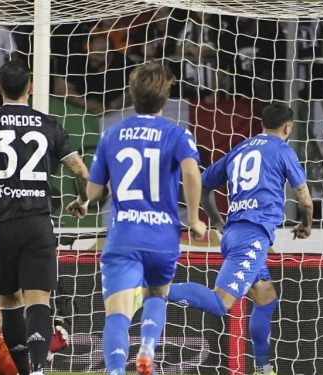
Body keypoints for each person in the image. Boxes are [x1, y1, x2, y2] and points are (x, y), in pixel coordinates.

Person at [0, 60, 90, 375]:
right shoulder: (49, 124)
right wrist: (82, 200)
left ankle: (24, 372)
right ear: (31, 87)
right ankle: (40, 369)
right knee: (39, 299)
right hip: (36, 223)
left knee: (10, 301)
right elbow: (80, 171)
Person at [166, 103, 313, 375]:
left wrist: (217, 221)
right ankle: (153, 289)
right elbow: (304, 198)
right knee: (221, 304)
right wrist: (306, 225)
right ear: (288, 128)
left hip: (236, 231)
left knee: (266, 298)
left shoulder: (239, 149)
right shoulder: (282, 149)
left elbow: (203, 183)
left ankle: (262, 367)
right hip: (252, 236)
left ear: (261, 124)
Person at [86, 61, 206, 375]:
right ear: (165, 97)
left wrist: (90, 196)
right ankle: (148, 346)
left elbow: (94, 189)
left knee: (118, 313)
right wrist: (193, 218)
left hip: (124, 234)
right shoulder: (177, 133)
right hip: (163, 236)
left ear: (132, 93)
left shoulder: (112, 133)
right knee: (157, 294)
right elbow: (192, 173)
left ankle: (114, 371)